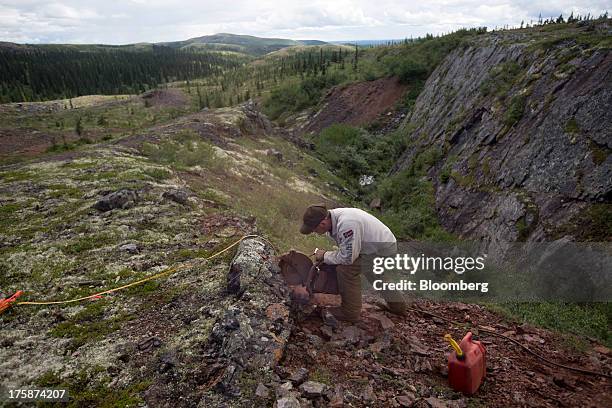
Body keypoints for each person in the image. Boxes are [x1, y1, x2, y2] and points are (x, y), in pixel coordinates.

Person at [300, 204, 406, 322]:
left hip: (381, 249)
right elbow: (347, 249)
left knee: (346, 270)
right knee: (375, 274)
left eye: (314, 230)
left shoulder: (347, 224)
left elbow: (347, 259)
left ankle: (349, 312)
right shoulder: (333, 217)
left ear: (322, 224)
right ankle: (398, 307)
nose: (314, 232)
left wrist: (324, 255)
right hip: (379, 244)